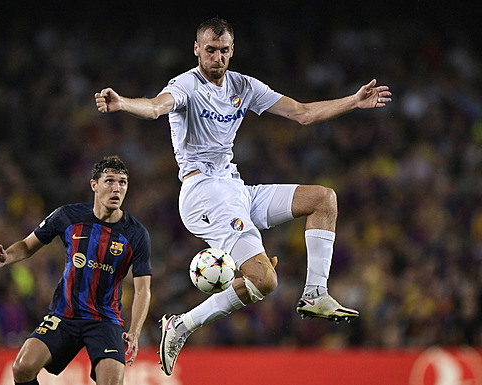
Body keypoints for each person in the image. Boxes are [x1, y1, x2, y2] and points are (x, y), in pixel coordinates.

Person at [95, 17, 391, 376]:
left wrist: (353, 102)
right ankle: (183, 325)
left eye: (223, 50)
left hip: (235, 188)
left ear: (232, 51)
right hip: (203, 194)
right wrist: (123, 103)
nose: (216, 57)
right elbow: (157, 107)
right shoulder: (186, 85)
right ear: (197, 50)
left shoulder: (243, 86)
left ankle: (314, 293)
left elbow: (302, 113)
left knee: (323, 199)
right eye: (209, 50)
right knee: (265, 280)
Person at [0, 156, 152, 385]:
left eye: (123, 182)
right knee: (22, 367)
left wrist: (134, 331)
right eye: (110, 181)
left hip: (106, 320)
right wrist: (7, 258)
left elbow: (143, 290)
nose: (117, 188)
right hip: (65, 315)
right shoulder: (67, 216)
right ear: (94, 185)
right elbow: (27, 246)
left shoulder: (136, 234)